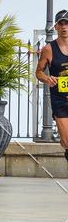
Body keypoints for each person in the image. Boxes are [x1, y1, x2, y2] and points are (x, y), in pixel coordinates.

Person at [35, 10, 68, 160]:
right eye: (60, 24)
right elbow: (38, 72)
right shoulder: (49, 49)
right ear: (55, 27)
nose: (64, 27)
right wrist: (48, 79)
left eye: (66, 23)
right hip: (60, 100)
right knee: (66, 141)